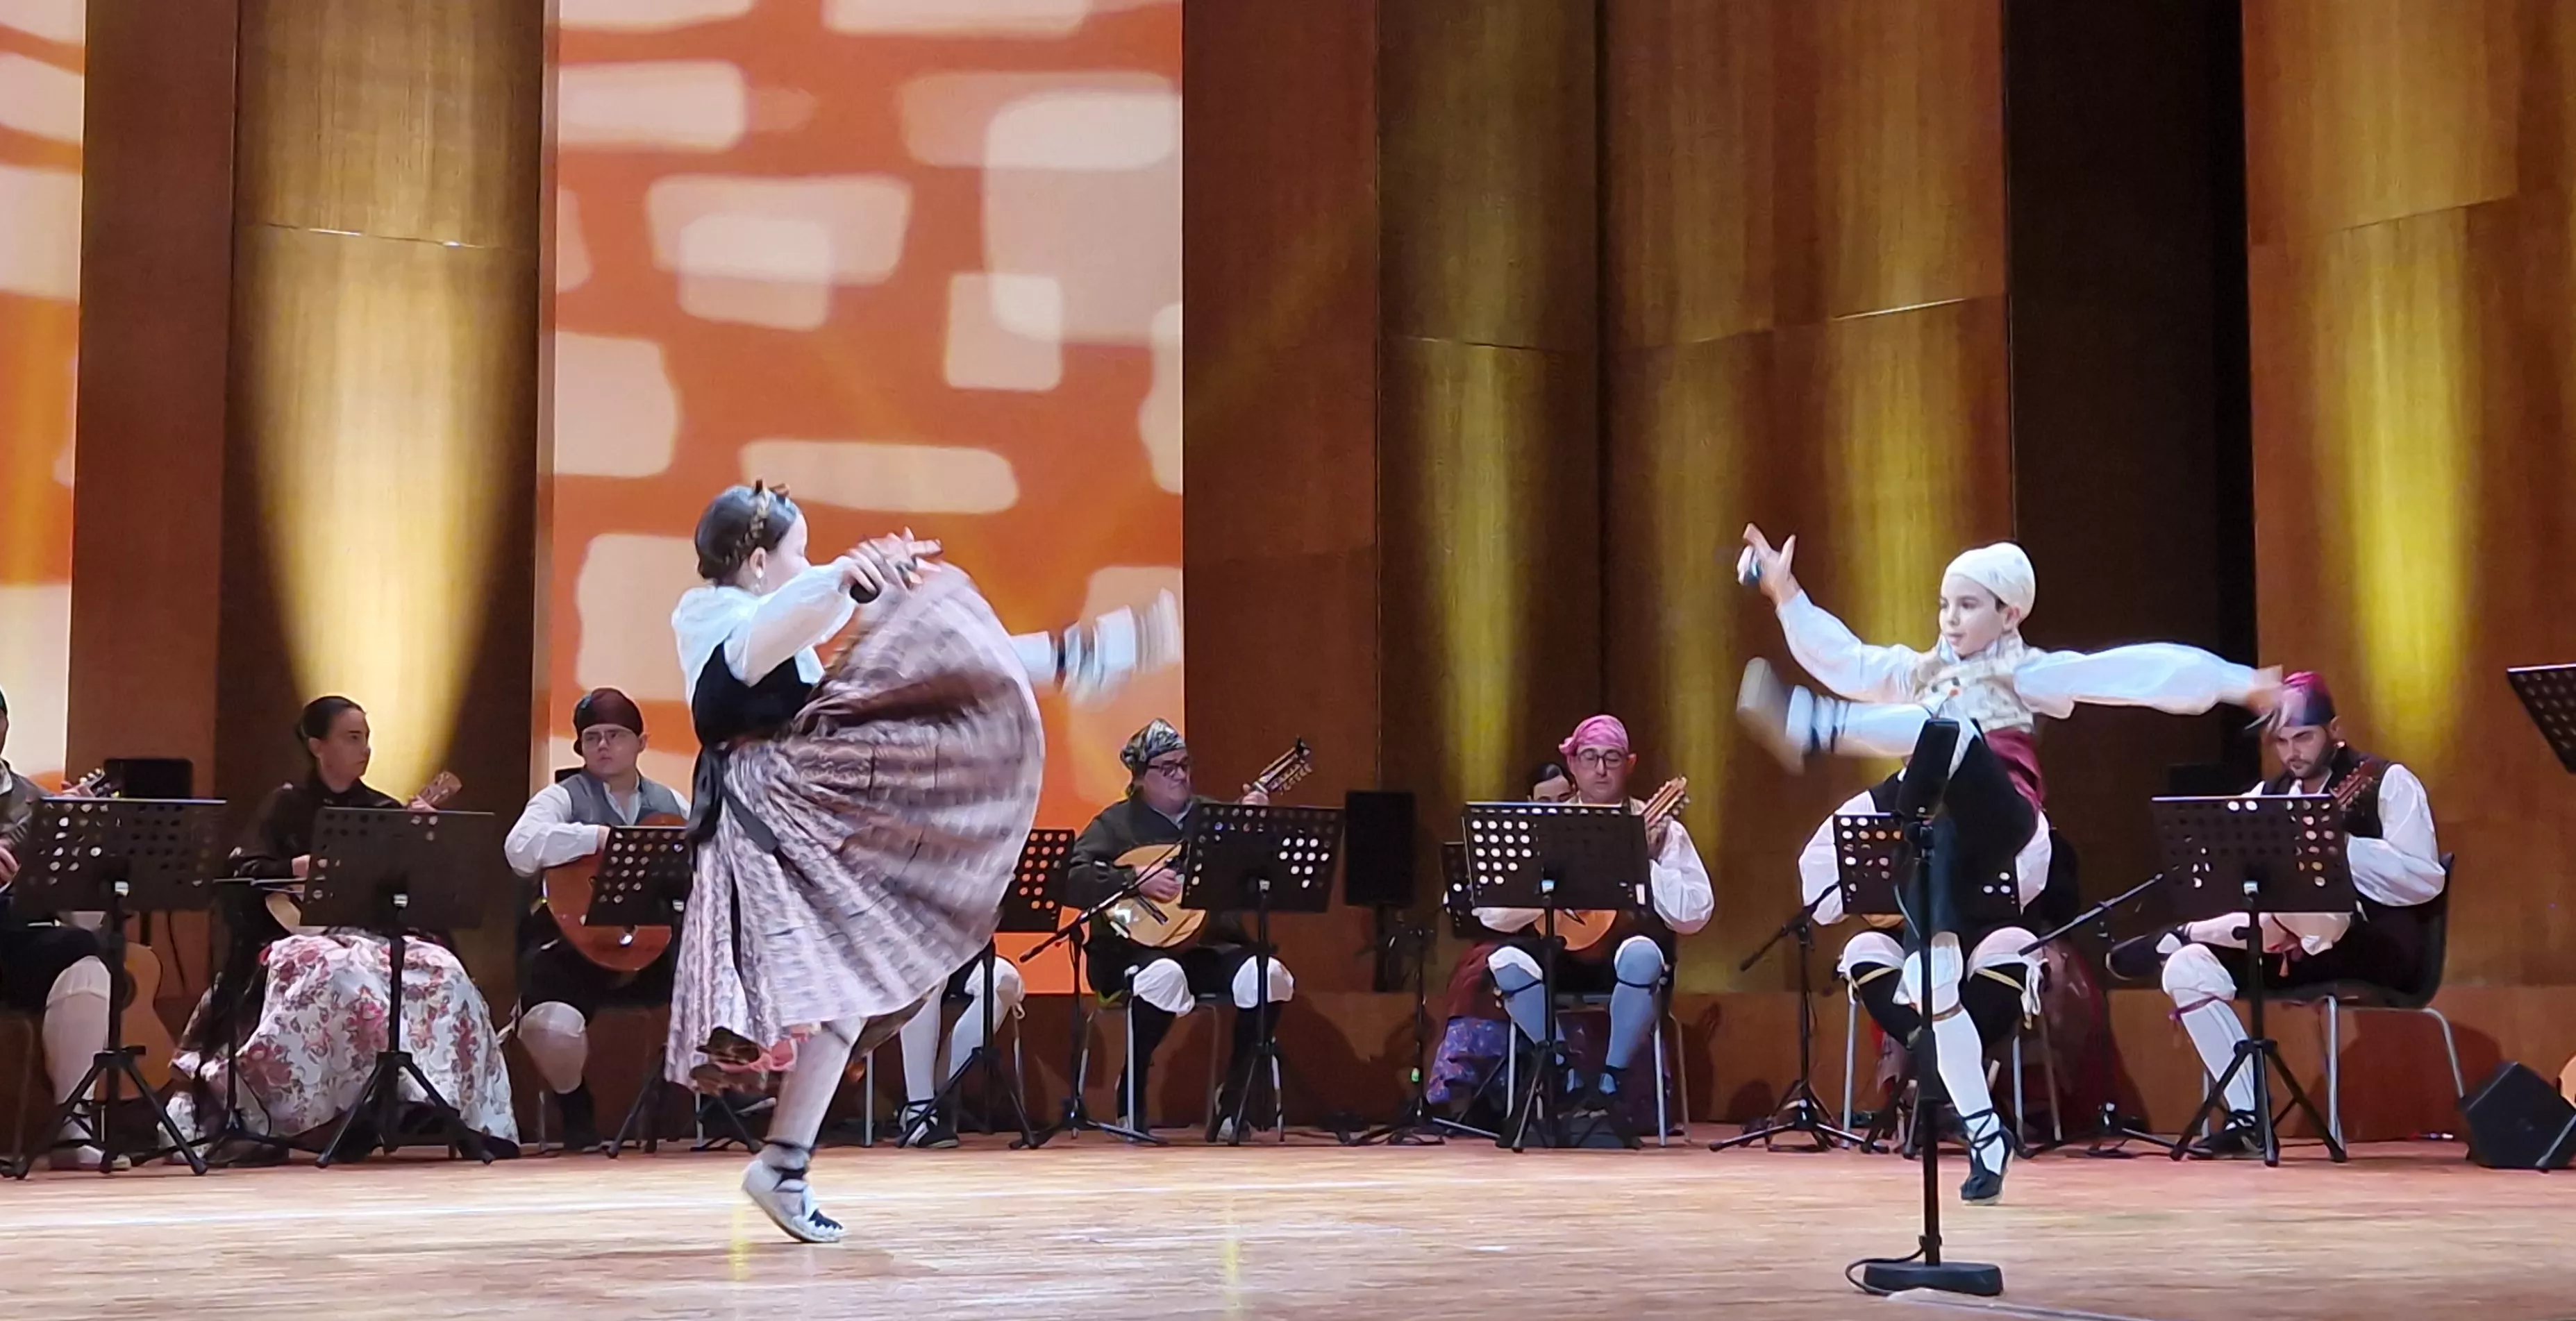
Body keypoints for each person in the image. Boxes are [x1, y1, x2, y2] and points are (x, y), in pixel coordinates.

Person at [1735, 525, 2278, 1203]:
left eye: (1967, 605)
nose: (1949, 619)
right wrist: (1784, 591)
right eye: (1943, 604)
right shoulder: (1922, 670)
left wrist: (2241, 683)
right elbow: (1847, 659)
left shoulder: (2023, 670)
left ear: (2008, 613)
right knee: (1931, 982)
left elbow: (2136, 670)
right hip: (1941, 839)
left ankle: (1816, 727)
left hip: (2005, 819)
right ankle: (1984, 1132)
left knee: (1952, 730)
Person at [667, 482, 1042, 1243]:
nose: (809, 563)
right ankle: (783, 1163)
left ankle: (784, 1163)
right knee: (842, 981)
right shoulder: (717, 620)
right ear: (757, 558)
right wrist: (842, 575)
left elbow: (900, 685)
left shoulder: (778, 621)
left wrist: (1044, 657)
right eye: (798, 550)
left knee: (850, 986)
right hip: (771, 819)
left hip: (796, 806)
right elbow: (764, 634)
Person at [172, 696, 519, 1155]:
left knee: (442, 968)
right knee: (338, 970)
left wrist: (421, 842)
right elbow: (241, 871)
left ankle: (427, 1096)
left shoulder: (381, 808)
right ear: (318, 745)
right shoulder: (287, 804)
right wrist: (298, 865)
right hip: (301, 937)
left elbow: (415, 887)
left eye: (367, 738)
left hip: (372, 935)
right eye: (352, 737)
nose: (365, 748)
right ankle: (327, 1111)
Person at [2109, 673, 2444, 1146]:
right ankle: (2250, 1117)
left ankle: (2191, 931)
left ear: (2335, 729)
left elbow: (2425, 880)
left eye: (2303, 737)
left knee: (2315, 902)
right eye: (2282, 741)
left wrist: (2340, 847)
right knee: (2187, 970)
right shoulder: (2265, 798)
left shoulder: (2386, 781)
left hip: (2373, 944)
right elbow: (2222, 874)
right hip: (2285, 948)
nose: (2293, 752)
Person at [1473, 718, 1712, 1142]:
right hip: (1560, 954)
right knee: (1503, 962)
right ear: (1573, 765)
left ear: (1630, 763)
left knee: (1642, 954)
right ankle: (1564, 1072)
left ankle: (1609, 1083)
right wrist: (1540, 885)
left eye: (1612, 758)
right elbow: (1490, 913)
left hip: (1624, 960)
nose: (1601, 769)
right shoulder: (1546, 828)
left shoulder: (1661, 829)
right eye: (1589, 758)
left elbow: (1695, 913)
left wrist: (1643, 861)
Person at [1062, 719, 1283, 1141]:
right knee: (1165, 977)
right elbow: (1071, 878)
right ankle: (1131, 1096)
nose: (1181, 775)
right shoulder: (1115, 825)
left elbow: (1262, 880)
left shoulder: (1213, 817)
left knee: (1269, 977)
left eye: (1184, 764)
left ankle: (1232, 1102)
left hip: (1209, 946)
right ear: (1141, 777)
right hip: (1130, 952)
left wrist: (1257, 831)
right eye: (1168, 767)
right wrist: (1131, 879)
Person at [503, 687, 689, 1152]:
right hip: (573, 952)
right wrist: (596, 838)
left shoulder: (671, 803)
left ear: (641, 742)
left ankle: (717, 1102)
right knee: (550, 1024)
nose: (604, 745)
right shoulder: (562, 797)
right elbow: (520, 849)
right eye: (593, 738)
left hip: (655, 950)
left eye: (616, 735)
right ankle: (574, 1103)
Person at [0, 687, 119, 1169]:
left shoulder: (38, 800)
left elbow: (80, 913)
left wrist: (80, 846)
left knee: (88, 952)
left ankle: (72, 1124)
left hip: (20, 936)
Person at [887, 951, 1025, 1149]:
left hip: (952, 953)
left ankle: (938, 1094)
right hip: (897, 955)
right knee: (923, 976)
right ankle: (919, 1110)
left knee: (1005, 979)